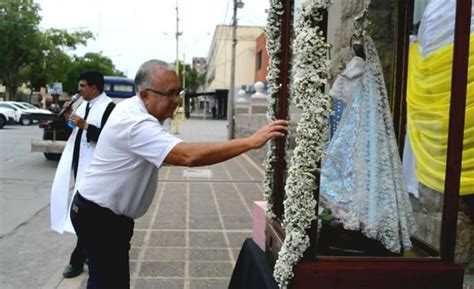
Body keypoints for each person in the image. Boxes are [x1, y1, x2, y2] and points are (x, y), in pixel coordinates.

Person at [70, 59, 288, 289]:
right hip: (98, 216)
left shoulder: (137, 110)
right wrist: (250, 142)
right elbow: (188, 156)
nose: (177, 101)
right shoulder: (135, 122)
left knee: (112, 281)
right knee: (106, 282)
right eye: (170, 94)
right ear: (145, 95)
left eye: (179, 92)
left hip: (108, 216)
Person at [50, 71, 116, 278]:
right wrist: (69, 116)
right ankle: (90, 252)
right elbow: (75, 130)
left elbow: (108, 138)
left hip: (97, 170)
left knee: (85, 214)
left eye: (82, 86)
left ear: (94, 88)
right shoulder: (84, 105)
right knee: (87, 214)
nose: (79, 89)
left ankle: (77, 260)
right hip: (81, 166)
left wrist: (85, 125)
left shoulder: (109, 108)